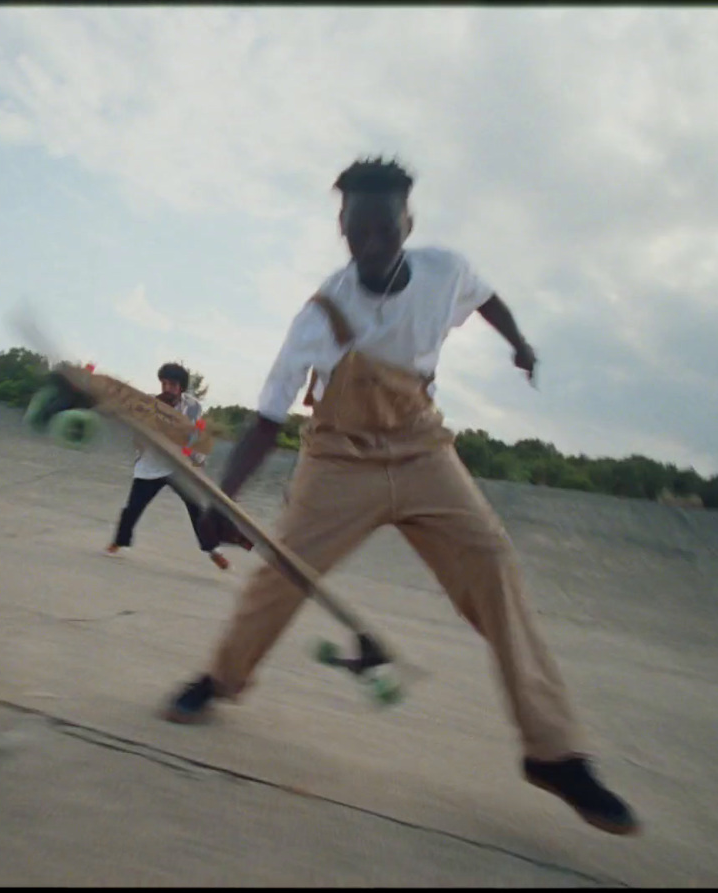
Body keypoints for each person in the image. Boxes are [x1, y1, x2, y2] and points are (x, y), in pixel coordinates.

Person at [161, 157, 639, 836]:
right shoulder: (320, 313)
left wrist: (521, 343)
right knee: (282, 574)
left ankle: (554, 752)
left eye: (385, 227)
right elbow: (268, 419)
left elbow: (486, 298)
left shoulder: (446, 270)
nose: (372, 242)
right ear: (343, 229)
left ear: (407, 224)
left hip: (422, 450)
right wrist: (221, 498)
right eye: (359, 230)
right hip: (338, 460)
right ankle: (219, 677)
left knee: (495, 572)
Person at [105, 363, 233, 571]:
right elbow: (137, 439)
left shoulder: (193, 407)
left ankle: (213, 550)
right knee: (133, 509)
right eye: (163, 383)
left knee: (197, 508)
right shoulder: (149, 405)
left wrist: (197, 458)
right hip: (150, 464)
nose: (167, 388)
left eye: (172, 384)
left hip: (178, 465)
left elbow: (194, 435)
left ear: (181, 387)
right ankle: (117, 543)